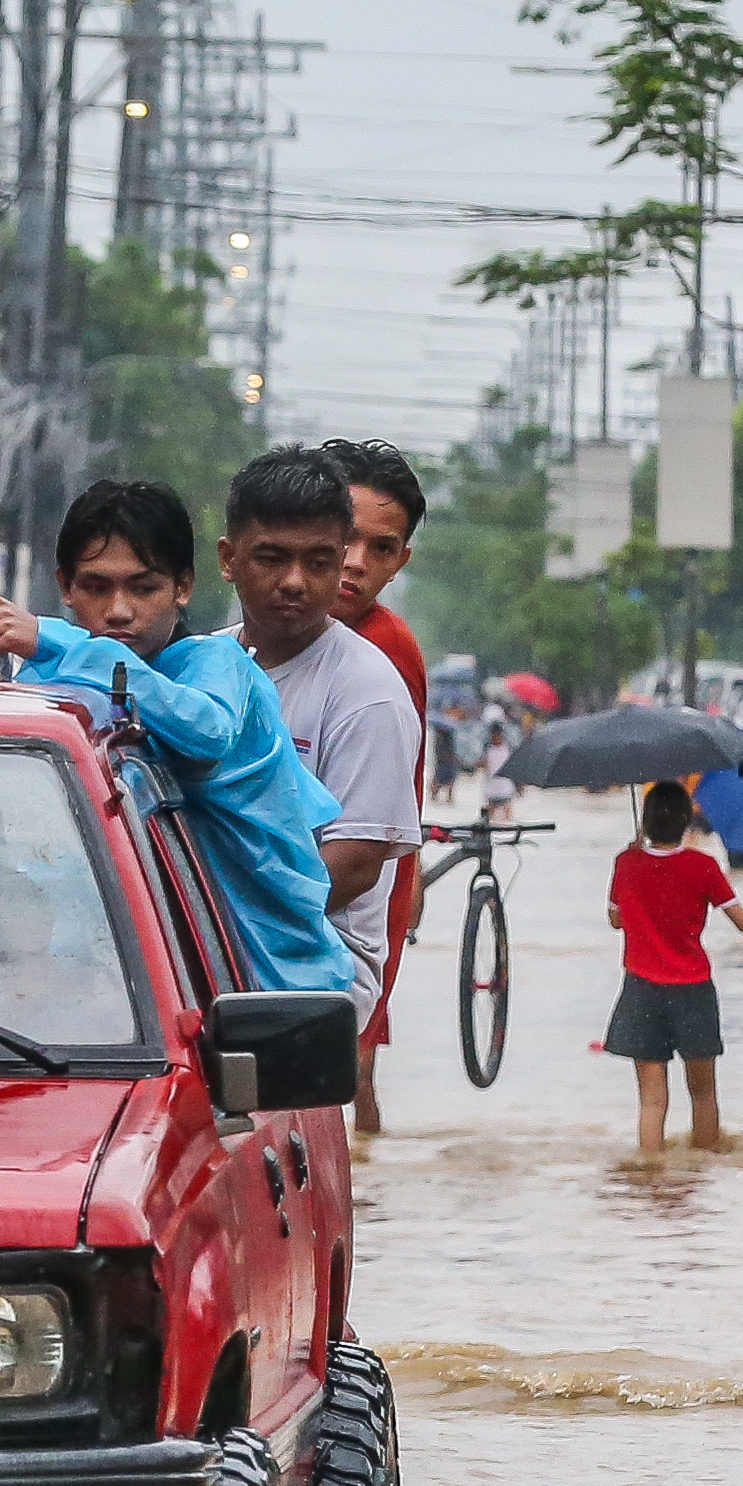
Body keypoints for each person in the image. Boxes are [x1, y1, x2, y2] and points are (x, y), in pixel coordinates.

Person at [0, 478, 358, 997]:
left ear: (182, 587)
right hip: (122, 973)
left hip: (269, 977)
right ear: (66, 586)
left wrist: (59, 640)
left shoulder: (215, 664)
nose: (119, 611)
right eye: (97, 587)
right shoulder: (58, 679)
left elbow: (204, 731)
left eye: (143, 588)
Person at [210, 448, 424, 1025]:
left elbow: (354, 864)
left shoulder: (370, 688)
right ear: (228, 560)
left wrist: (213, 924)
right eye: (273, 559)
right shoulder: (202, 666)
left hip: (314, 968)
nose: (295, 582)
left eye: (318, 562)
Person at [321, 439, 433, 1133]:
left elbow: (391, 809)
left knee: (346, 1064)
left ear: (400, 561)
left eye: (380, 547)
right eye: (346, 538)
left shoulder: (384, 651)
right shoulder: (257, 638)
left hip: (352, 886)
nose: (357, 562)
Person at [606, 779, 743, 1154]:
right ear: (686, 820)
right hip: (693, 989)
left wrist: (631, 861)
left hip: (641, 988)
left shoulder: (626, 863)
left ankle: (650, 1177)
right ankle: (704, 1183)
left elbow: (616, 920)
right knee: (704, 1095)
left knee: (651, 1102)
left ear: (645, 822)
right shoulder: (703, 866)